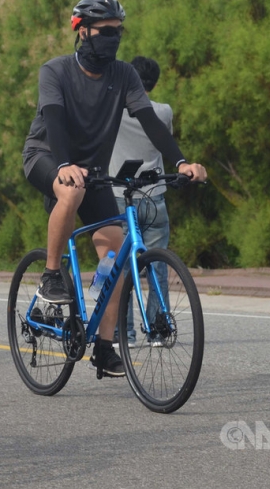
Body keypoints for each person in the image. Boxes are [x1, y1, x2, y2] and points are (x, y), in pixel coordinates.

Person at [22, 0, 207, 377]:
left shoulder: (124, 75)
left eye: (118, 31)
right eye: (105, 31)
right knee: (70, 191)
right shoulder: (54, 71)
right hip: (46, 157)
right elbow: (54, 121)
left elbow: (150, 121)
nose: (113, 37)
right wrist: (62, 165)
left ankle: (105, 348)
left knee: (118, 256)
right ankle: (52, 274)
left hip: (93, 170)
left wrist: (182, 162)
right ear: (82, 32)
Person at [109, 56, 173, 348]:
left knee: (119, 267)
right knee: (158, 265)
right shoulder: (163, 112)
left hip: (120, 198)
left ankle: (125, 333)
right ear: (155, 83)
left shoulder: (114, 112)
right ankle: (158, 331)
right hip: (155, 196)